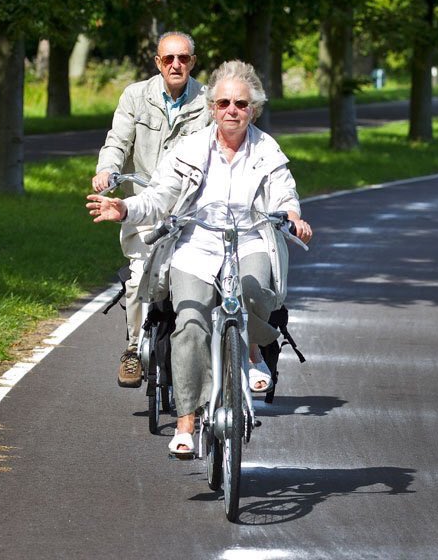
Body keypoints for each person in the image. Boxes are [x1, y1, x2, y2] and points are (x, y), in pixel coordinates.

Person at [86, 60, 313, 455]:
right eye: (223, 103)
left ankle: (255, 352)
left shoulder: (266, 148)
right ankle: (186, 423)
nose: (231, 110)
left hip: (249, 239)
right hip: (197, 242)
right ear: (211, 108)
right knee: (189, 324)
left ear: (253, 109)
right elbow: (159, 196)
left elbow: (283, 191)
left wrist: (293, 217)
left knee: (254, 290)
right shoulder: (190, 149)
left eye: (241, 104)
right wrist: (125, 209)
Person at [92, 31, 211, 389]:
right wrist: (107, 171)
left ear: (192, 62)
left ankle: (208, 356)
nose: (176, 65)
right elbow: (117, 141)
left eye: (183, 58)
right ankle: (133, 349)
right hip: (145, 208)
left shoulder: (209, 101)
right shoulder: (135, 96)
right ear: (158, 62)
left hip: (189, 211)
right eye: (168, 58)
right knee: (139, 278)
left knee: (204, 279)